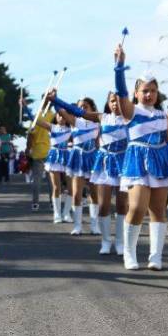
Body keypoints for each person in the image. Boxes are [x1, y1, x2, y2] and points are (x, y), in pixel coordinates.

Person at [113, 45, 168, 270]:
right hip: (137, 161)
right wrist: (119, 67)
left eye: (152, 91)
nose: (149, 94)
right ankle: (129, 253)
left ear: (157, 94)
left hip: (161, 161)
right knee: (136, 208)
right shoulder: (130, 111)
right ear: (136, 93)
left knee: (158, 210)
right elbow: (120, 91)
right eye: (144, 90)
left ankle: (156, 256)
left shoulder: (161, 115)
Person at [53, 91, 129, 254]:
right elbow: (74, 112)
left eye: (118, 101)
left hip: (123, 164)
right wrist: (55, 100)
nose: (115, 104)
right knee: (103, 204)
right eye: (112, 101)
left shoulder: (130, 118)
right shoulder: (102, 118)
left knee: (123, 205)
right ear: (108, 103)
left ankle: (120, 242)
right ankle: (105, 241)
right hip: (103, 164)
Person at [49, 93, 100, 235]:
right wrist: (55, 98)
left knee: (94, 193)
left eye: (85, 106)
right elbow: (60, 110)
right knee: (77, 193)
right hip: (77, 158)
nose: (82, 108)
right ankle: (78, 226)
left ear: (91, 108)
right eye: (80, 107)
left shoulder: (97, 122)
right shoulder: (74, 121)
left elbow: (98, 143)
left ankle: (94, 226)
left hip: (93, 158)